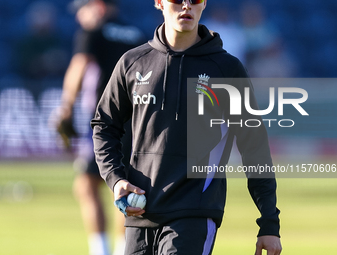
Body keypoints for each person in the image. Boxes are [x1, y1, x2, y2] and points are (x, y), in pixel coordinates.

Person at [91, 0, 282, 254]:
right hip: (140, 214)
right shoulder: (132, 63)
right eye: (177, 0)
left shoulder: (226, 69)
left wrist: (269, 222)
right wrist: (116, 180)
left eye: (195, 0)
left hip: (195, 213)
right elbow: (104, 124)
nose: (186, 7)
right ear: (159, 2)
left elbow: (254, 147)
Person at [56, 0, 146, 254]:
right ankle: (122, 250)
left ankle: (101, 251)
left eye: (82, 11)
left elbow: (79, 66)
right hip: (137, 121)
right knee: (125, 188)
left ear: (97, 6)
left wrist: (65, 109)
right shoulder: (138, 34)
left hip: (105, 120)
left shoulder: (93, 31)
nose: (79, 18)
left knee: (86, 184)